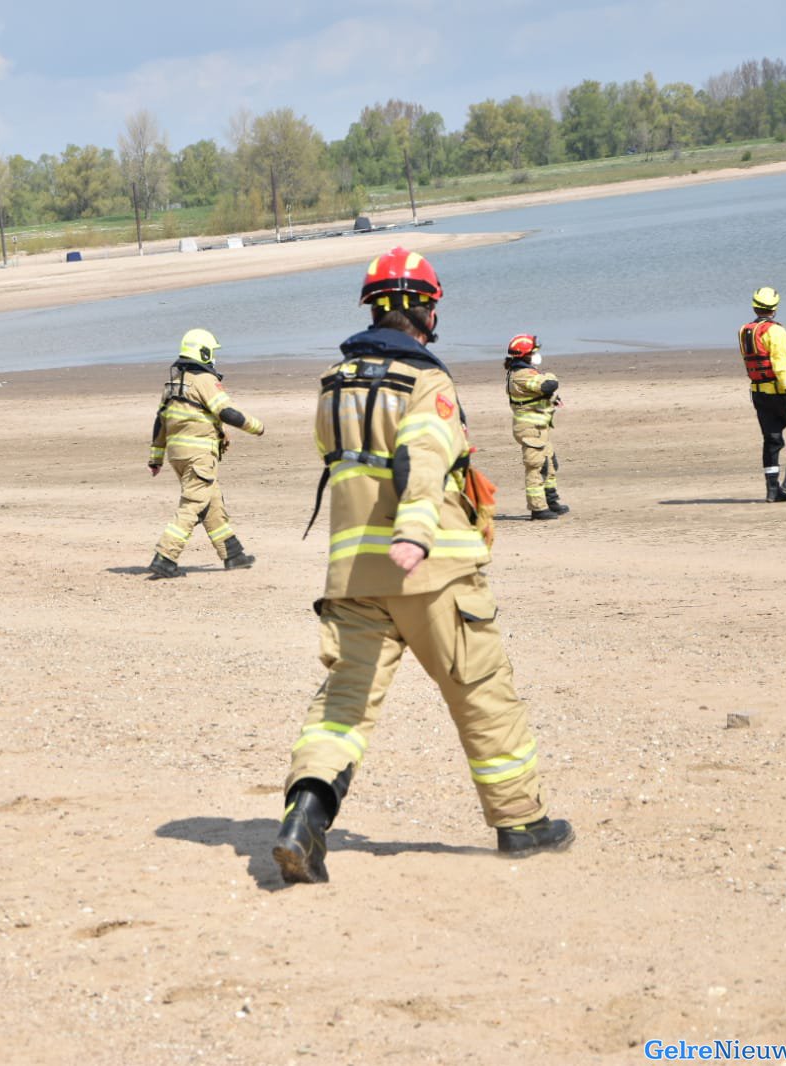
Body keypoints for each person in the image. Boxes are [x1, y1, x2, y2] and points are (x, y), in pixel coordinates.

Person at [272, 247, 573, 884]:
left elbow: (341, 459)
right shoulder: (427, 382)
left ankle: (304, 816)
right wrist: (413, 530)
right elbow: (424, 458)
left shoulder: (334, 383)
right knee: (483, 693)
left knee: (343, 706)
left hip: (352, 579)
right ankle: (522, 822)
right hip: (431, 575)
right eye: (433, 306)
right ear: (423, 309)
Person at [145, 328, 265, 578]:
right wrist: (256, 426)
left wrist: (156, 458)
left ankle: (233, 555)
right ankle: (165, 557)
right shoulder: (205, 381)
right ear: (204, 353)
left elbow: (160, 423)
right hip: (199, 454)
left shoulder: (173, 384)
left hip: (177, 456)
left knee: (211, 503)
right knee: (192, 505)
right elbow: (226, 412)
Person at [738, 286, 786, 501]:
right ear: (775, 307)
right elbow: (781, 365)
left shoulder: (745, 330)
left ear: (755, 306)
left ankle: (773, 490)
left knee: (772, 439)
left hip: (759, 394)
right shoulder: (776, 331)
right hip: (780, 391)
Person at [503, 334, 569, 519]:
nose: (536, 355)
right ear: (525, 355)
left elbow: (538, 394)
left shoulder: (526, 372)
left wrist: (553, 400)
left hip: (539, 427)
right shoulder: (522, 375)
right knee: (536, 467)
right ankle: (538, 509)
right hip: (530, 428)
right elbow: (549, 385)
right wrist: (549, 375)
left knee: (549, 463)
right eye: (533, 352)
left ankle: (551, 501)